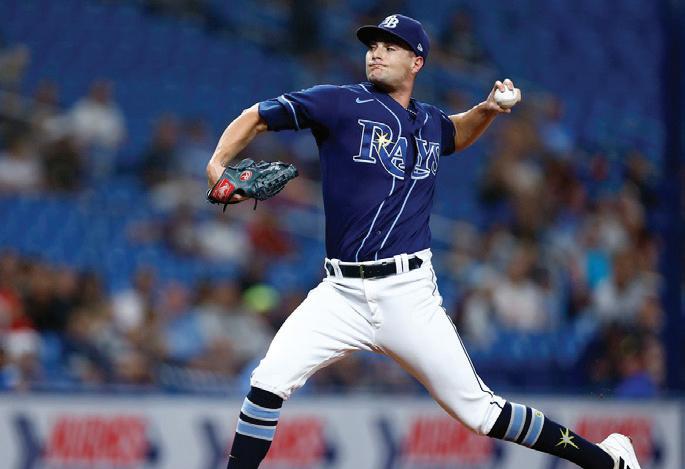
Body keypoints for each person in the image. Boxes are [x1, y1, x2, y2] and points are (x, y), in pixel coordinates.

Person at [206, 14, 640, 469]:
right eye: (373, 45)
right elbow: (256, 116)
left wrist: (487, 109)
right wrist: (217, 165)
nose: (376, 52)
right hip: (340, 294)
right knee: (267, 382)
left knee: (481, 413)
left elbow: (454, 132)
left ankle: (607, 461)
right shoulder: (339, 102)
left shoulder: (429, 121)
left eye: (390, 46)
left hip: (407, 294)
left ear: (417, 62)